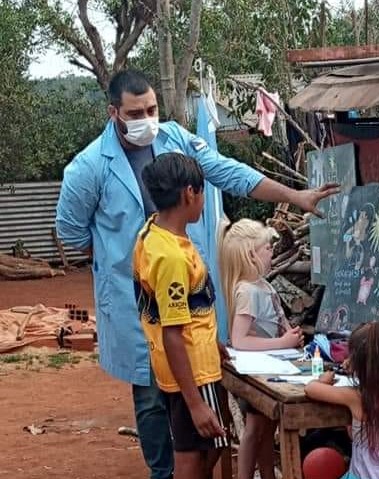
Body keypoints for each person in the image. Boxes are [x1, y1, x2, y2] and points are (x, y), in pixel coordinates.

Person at [55, 69, 338, 479]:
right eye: (136, 112)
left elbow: (231, 173)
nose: (147, 119)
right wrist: (127, 263)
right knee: (153, 397)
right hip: (139, 303)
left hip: (190, 300)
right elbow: (71, 232)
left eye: (152, 108)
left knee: (196, 405)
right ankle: (161, 471)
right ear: (113, 112)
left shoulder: (177, 140)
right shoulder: (87, 169)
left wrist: (294, 195)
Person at [133, 152, 226, 479]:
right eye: (201, 193)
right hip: (193, 370)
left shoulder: (150, 233)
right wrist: (196, 402)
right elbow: (173, 330)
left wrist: (214, 341)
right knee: (197, 446)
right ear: (190, 193)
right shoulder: (172, 257)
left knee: (204, 444)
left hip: (186, 362)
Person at [219, 218, 304, 479]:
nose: (271, 252)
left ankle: (267, 474)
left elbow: (277, 322)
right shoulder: (247, 291)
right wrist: (283, 342)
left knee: (266, 429)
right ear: (250, 255)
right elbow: (240, 339)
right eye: (267, 248)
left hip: (271, 367)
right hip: (257, 372)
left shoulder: (263, 286)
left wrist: (290, 335)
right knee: (255, 429)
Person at [305, 321, 379, 479]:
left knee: (318, 464)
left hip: (366, 475)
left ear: (358, 362)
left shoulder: (355, 397)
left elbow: (310, 388)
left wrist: (323, 379)